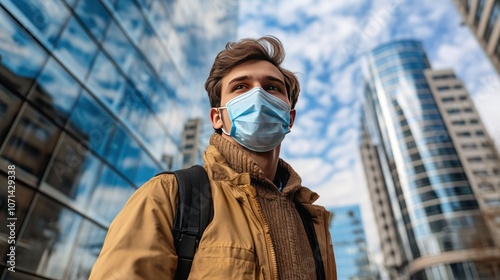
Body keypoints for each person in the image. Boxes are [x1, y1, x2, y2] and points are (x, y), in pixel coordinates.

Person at [89, 36, 336, 279]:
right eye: (240, 87)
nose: (259, 95)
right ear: (217, 117)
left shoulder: (312, 223)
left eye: (272, 87)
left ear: (289, 118)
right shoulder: (167, 196)